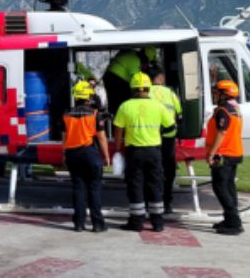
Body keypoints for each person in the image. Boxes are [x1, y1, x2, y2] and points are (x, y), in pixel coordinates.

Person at [113, 72, 175, 232]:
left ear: (132, 88)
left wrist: (118, 149)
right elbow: (171, 126)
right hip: (154, 151)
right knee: (155, 184)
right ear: (148, 88)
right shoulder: (158, 106)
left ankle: (136, 222)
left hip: (134, 152)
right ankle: (158, 223)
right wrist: (158, 134)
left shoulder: (125, 106)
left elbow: (118, 130)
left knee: (135, 185)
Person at [63, 80, 111, 232]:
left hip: (72, 154)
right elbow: (102, 138)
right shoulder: (95, 115)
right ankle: (97, 224)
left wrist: (64, 155)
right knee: (94, 188)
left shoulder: (66, 114)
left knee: (78, 188)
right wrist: (106, 156)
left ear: (75, 97)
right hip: (89, 153)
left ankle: (79, 223)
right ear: (89, 97)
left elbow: (64, 138)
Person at [206, 79, 244, 235]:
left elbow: (221, 132)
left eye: (216, 92)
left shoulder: (223, 110)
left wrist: (212, 153)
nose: (214, 94)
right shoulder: (235, 109)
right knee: (229, 187)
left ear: (223, 94)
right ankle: (230, 218)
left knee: (220, 187)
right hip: (234, 152)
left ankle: (234, 223)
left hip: (223, 154)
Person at [148, 64, 182, 212]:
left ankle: (151, 201)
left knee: (151, 171)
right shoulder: (170, 93)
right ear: (160, 78)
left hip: (150, 137)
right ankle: (167, 203)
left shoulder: (145, 92)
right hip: (168, 137)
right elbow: (179, 113)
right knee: (169, 171)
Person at [103, 50, 140, 118]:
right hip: (117, 79)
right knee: (123, 104)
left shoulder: (130, 52)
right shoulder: (136, 60)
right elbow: (137, 80)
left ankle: (113, 121)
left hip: (109, 76)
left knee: (114, 105)